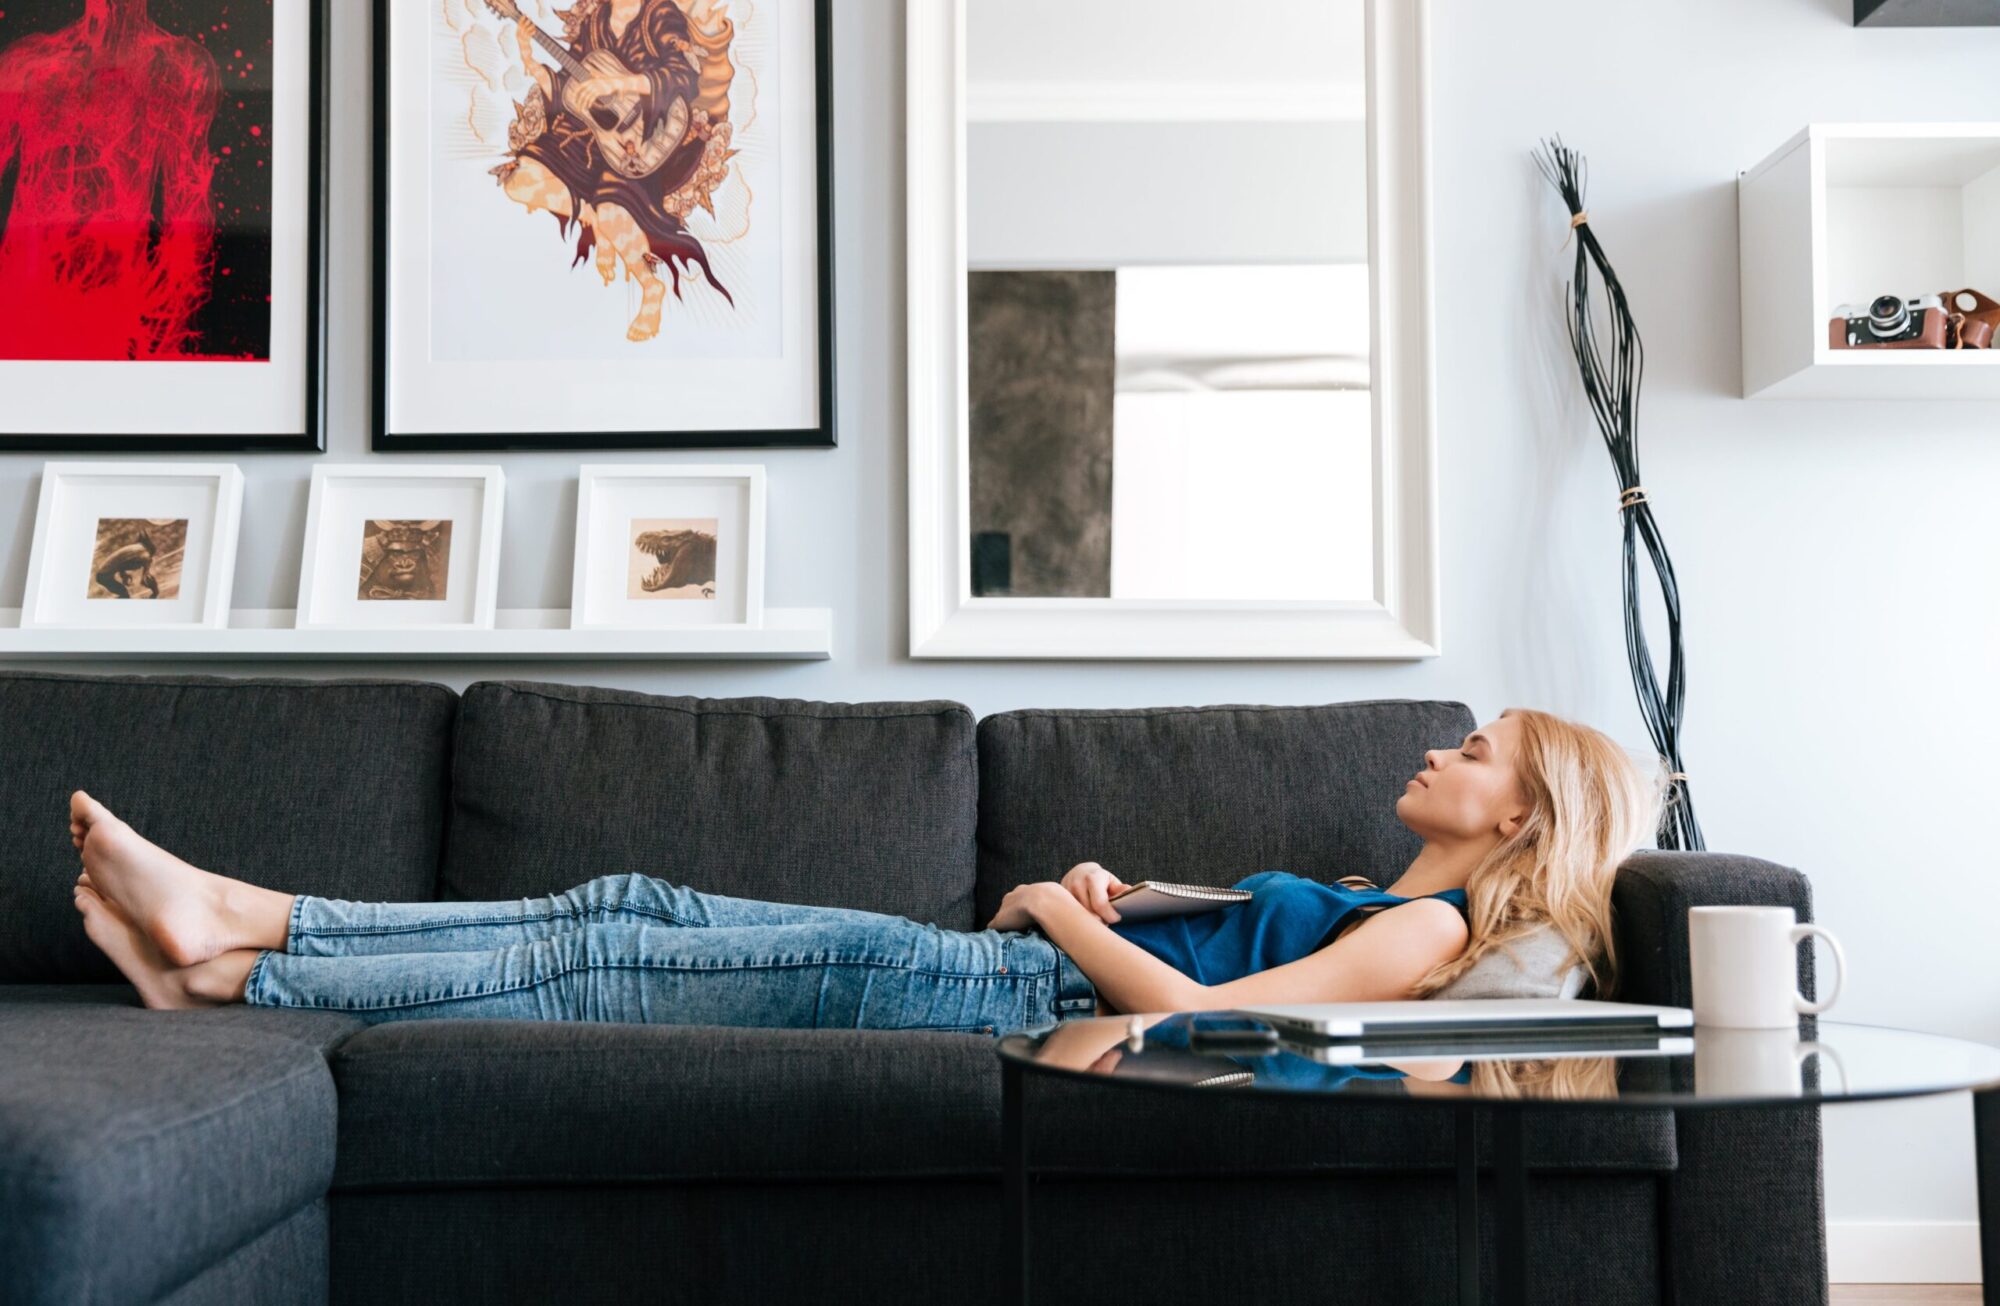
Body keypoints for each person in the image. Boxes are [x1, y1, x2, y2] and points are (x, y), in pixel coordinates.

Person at [68, 708, 1667, 1036]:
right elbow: (1212, 961)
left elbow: (1196, 1027)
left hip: (988, 983)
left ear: (1520, 817)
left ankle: (238, 939)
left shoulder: (1428, 935)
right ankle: (223, 952)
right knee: (619, 911)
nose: (1446, 749)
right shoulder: (1391, 904)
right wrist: (1121, 887)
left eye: (1480, 749)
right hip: (996, 967)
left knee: (606, 956)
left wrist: (1047, 905)